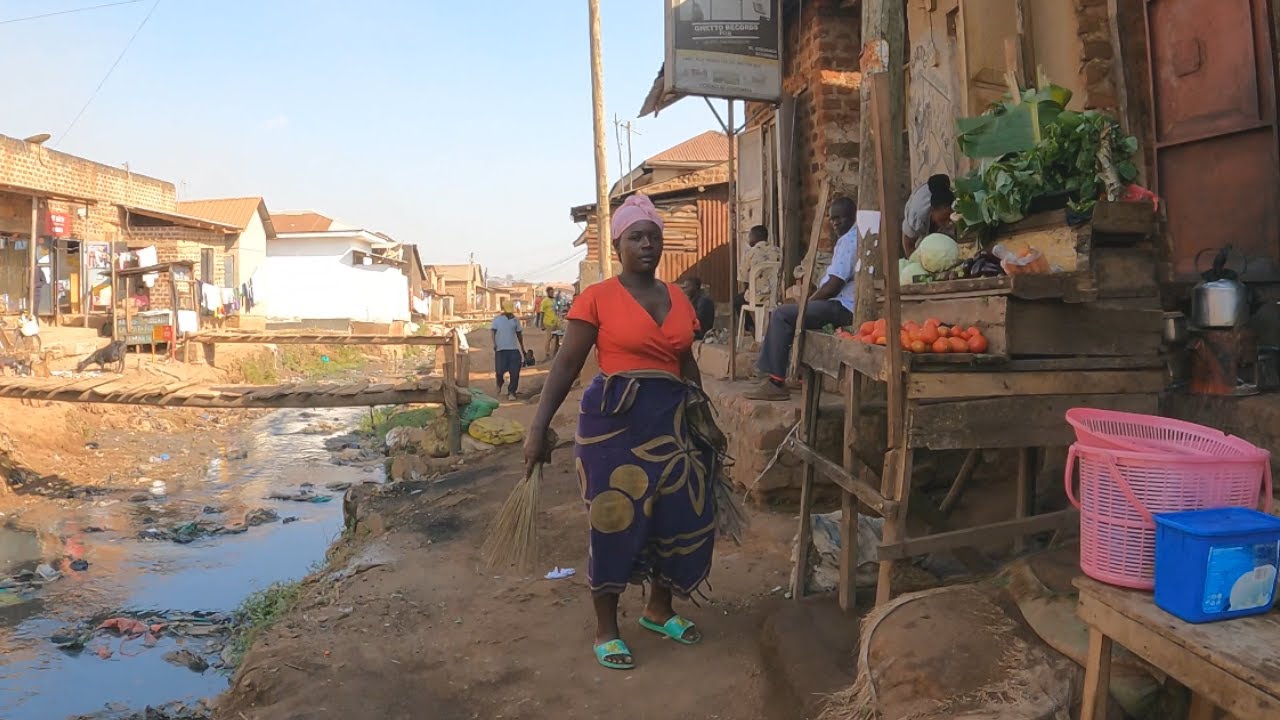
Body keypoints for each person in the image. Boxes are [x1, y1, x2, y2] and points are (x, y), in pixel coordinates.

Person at [525, 194, 718, 671]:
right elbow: (567, 364)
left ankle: (659, 609)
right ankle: (606, 629)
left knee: (680, 515)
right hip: (615, 424)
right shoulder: (597, 298)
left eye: (653, 236)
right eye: (636, 237)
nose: (647, 244)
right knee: (615, 520)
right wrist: (538, 428)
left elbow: (685, 360)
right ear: (618, 246)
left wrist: (705, 417)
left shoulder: (677, 297)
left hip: (672, 423)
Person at [746, 196, 859, 401]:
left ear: (852, 216)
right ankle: (784, 372)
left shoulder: (851, 241)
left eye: (839, 218)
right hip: (839, 303)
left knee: (782, 314)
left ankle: (776, 382)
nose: (834, 223)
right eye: (832, 219)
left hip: (843, 307)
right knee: (788, 311)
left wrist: (809, 303)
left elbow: (833, 286)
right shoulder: (850, 239)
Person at [734, 224, 781, 334]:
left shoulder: (750, 252)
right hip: (775, 296)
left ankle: (753, 330)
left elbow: (743, 278)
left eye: (750, 236)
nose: (748, 239)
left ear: (754, 237)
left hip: (758, 296)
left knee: (738, 301)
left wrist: (749, 289)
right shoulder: (778, 251)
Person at [902, 173, 956, 257]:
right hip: (919, 211)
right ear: (932, 210)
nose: (948, 223)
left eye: (950, 218)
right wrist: (914, 263)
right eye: (943, 219)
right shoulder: (917, 217)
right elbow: (908, 243)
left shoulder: (954, 202)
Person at [491, 299, 525, 400]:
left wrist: (522, 348)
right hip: (501, 349)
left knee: (514, 372)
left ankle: (511, 392)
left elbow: (519, 334)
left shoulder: (516, 320)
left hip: (513, 349)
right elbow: (493, 332)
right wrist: (494, 344)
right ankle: (499, 383)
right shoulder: (497, 320)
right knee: (500, 371)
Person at [539, 286, 560, 360]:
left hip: (555, 322)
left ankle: (556, 351)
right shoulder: (545, 301)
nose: (552, 293)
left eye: (553, 292)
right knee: (549, 338)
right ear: (547, 292)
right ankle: (547, 353)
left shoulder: (554, 300)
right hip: (548, 322)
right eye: (551, 292)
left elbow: (556, 310)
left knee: (557, 337)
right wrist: (541, 324)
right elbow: (542, 313)